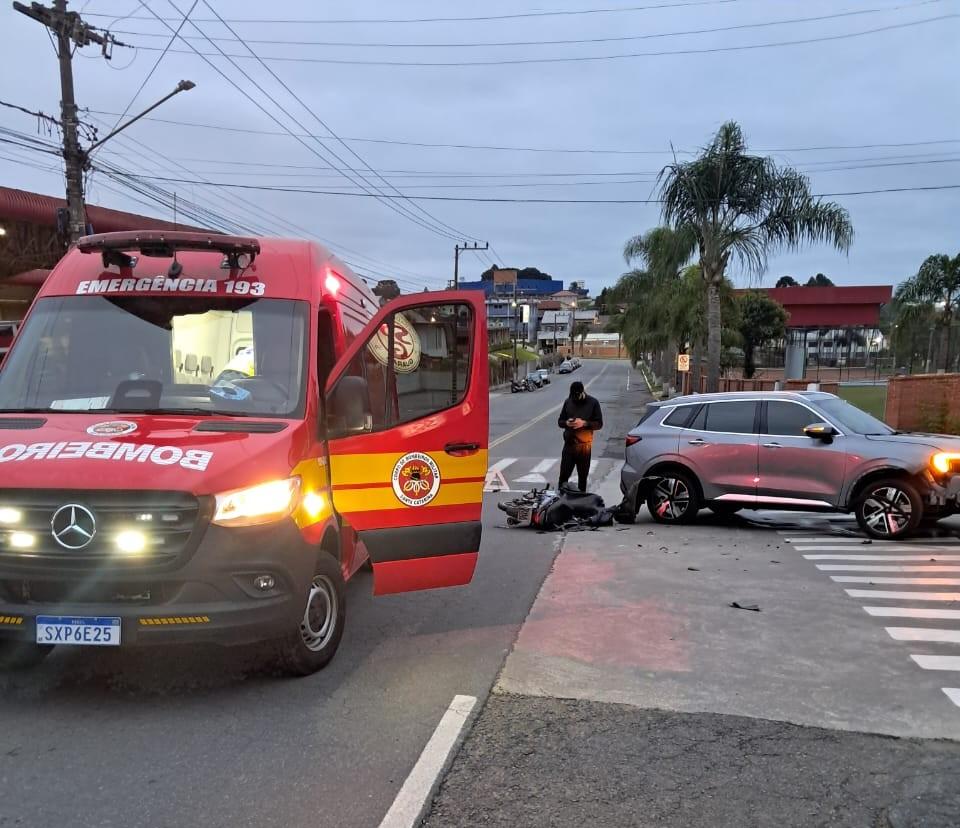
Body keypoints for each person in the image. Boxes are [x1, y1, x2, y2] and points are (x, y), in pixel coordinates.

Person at [557, 380, 603, 492]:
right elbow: (560, 421)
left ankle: (581, 503)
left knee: (582, 478)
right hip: (569, 445)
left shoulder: (593, 403)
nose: (576, 399)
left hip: (584, 447)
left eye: (577, 396)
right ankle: (561, 501)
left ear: (583, 392)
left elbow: (599, 424)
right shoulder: (568, 402)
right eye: (574, 397)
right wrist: (567, 423)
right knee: (563, 477)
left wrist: (584, 423)